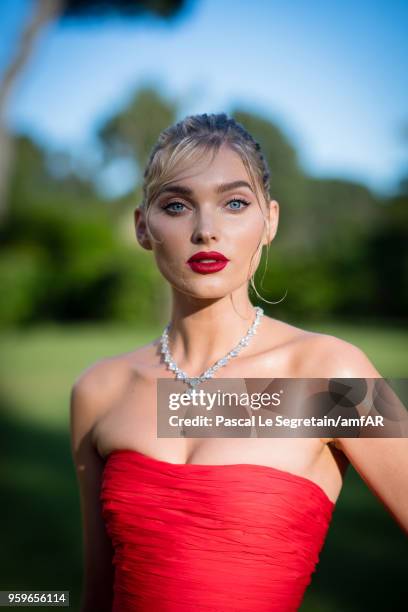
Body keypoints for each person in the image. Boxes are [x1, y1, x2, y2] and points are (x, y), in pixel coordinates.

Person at [70, 113, 408, 612]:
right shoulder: (99, 390)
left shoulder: (331, 372)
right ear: (144, 227)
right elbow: (97, 594)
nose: (206, 230)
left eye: (233, 203)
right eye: (177, 206)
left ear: (269, 221)